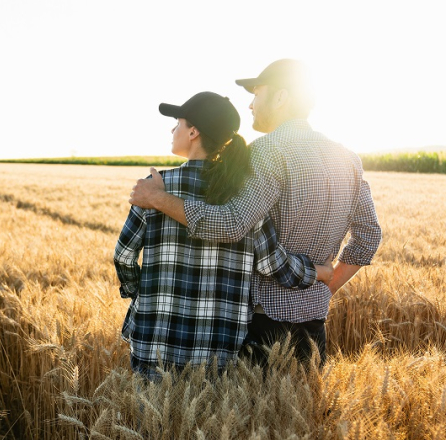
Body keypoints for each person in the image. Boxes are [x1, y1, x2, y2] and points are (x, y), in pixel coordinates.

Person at [129, 60, 381, 366]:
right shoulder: (348, 158)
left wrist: (159, 199)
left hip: (264, 326)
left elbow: (232, 224)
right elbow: (369, 237)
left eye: (257, 94)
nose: (250, 105)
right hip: (315, 326)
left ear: (280, 97)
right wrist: (325, 283)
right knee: (300, 412)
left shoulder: (268, 150)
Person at [115, 91, 333, 381]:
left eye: (177, 123)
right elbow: (272, 265)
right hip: (220, 355)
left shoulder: (153, 189)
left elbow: (124, 256)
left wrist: (142, 294)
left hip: (155, 343)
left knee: (154, 427)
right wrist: (319, 272)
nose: (172, 129)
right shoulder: (245, 197)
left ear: (193, 131)